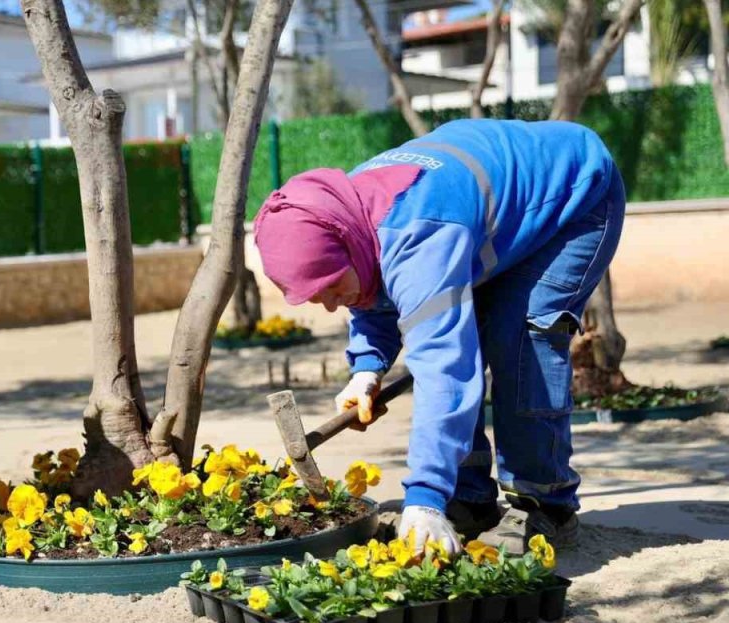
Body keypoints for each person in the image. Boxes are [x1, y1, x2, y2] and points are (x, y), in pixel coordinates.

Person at [253, 119, 624, 553]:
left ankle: (546, 503)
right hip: (484, 212)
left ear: (346, 244)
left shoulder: (417, 236)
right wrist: (367, 368)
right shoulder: (344, 215)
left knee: (520, 339)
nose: (333, 305)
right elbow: (375, 288)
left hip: (575, 196)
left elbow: (444, 366)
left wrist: (424, 496)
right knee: (468, 333)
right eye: (320, 297)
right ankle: (469, 496)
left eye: (332, 288)